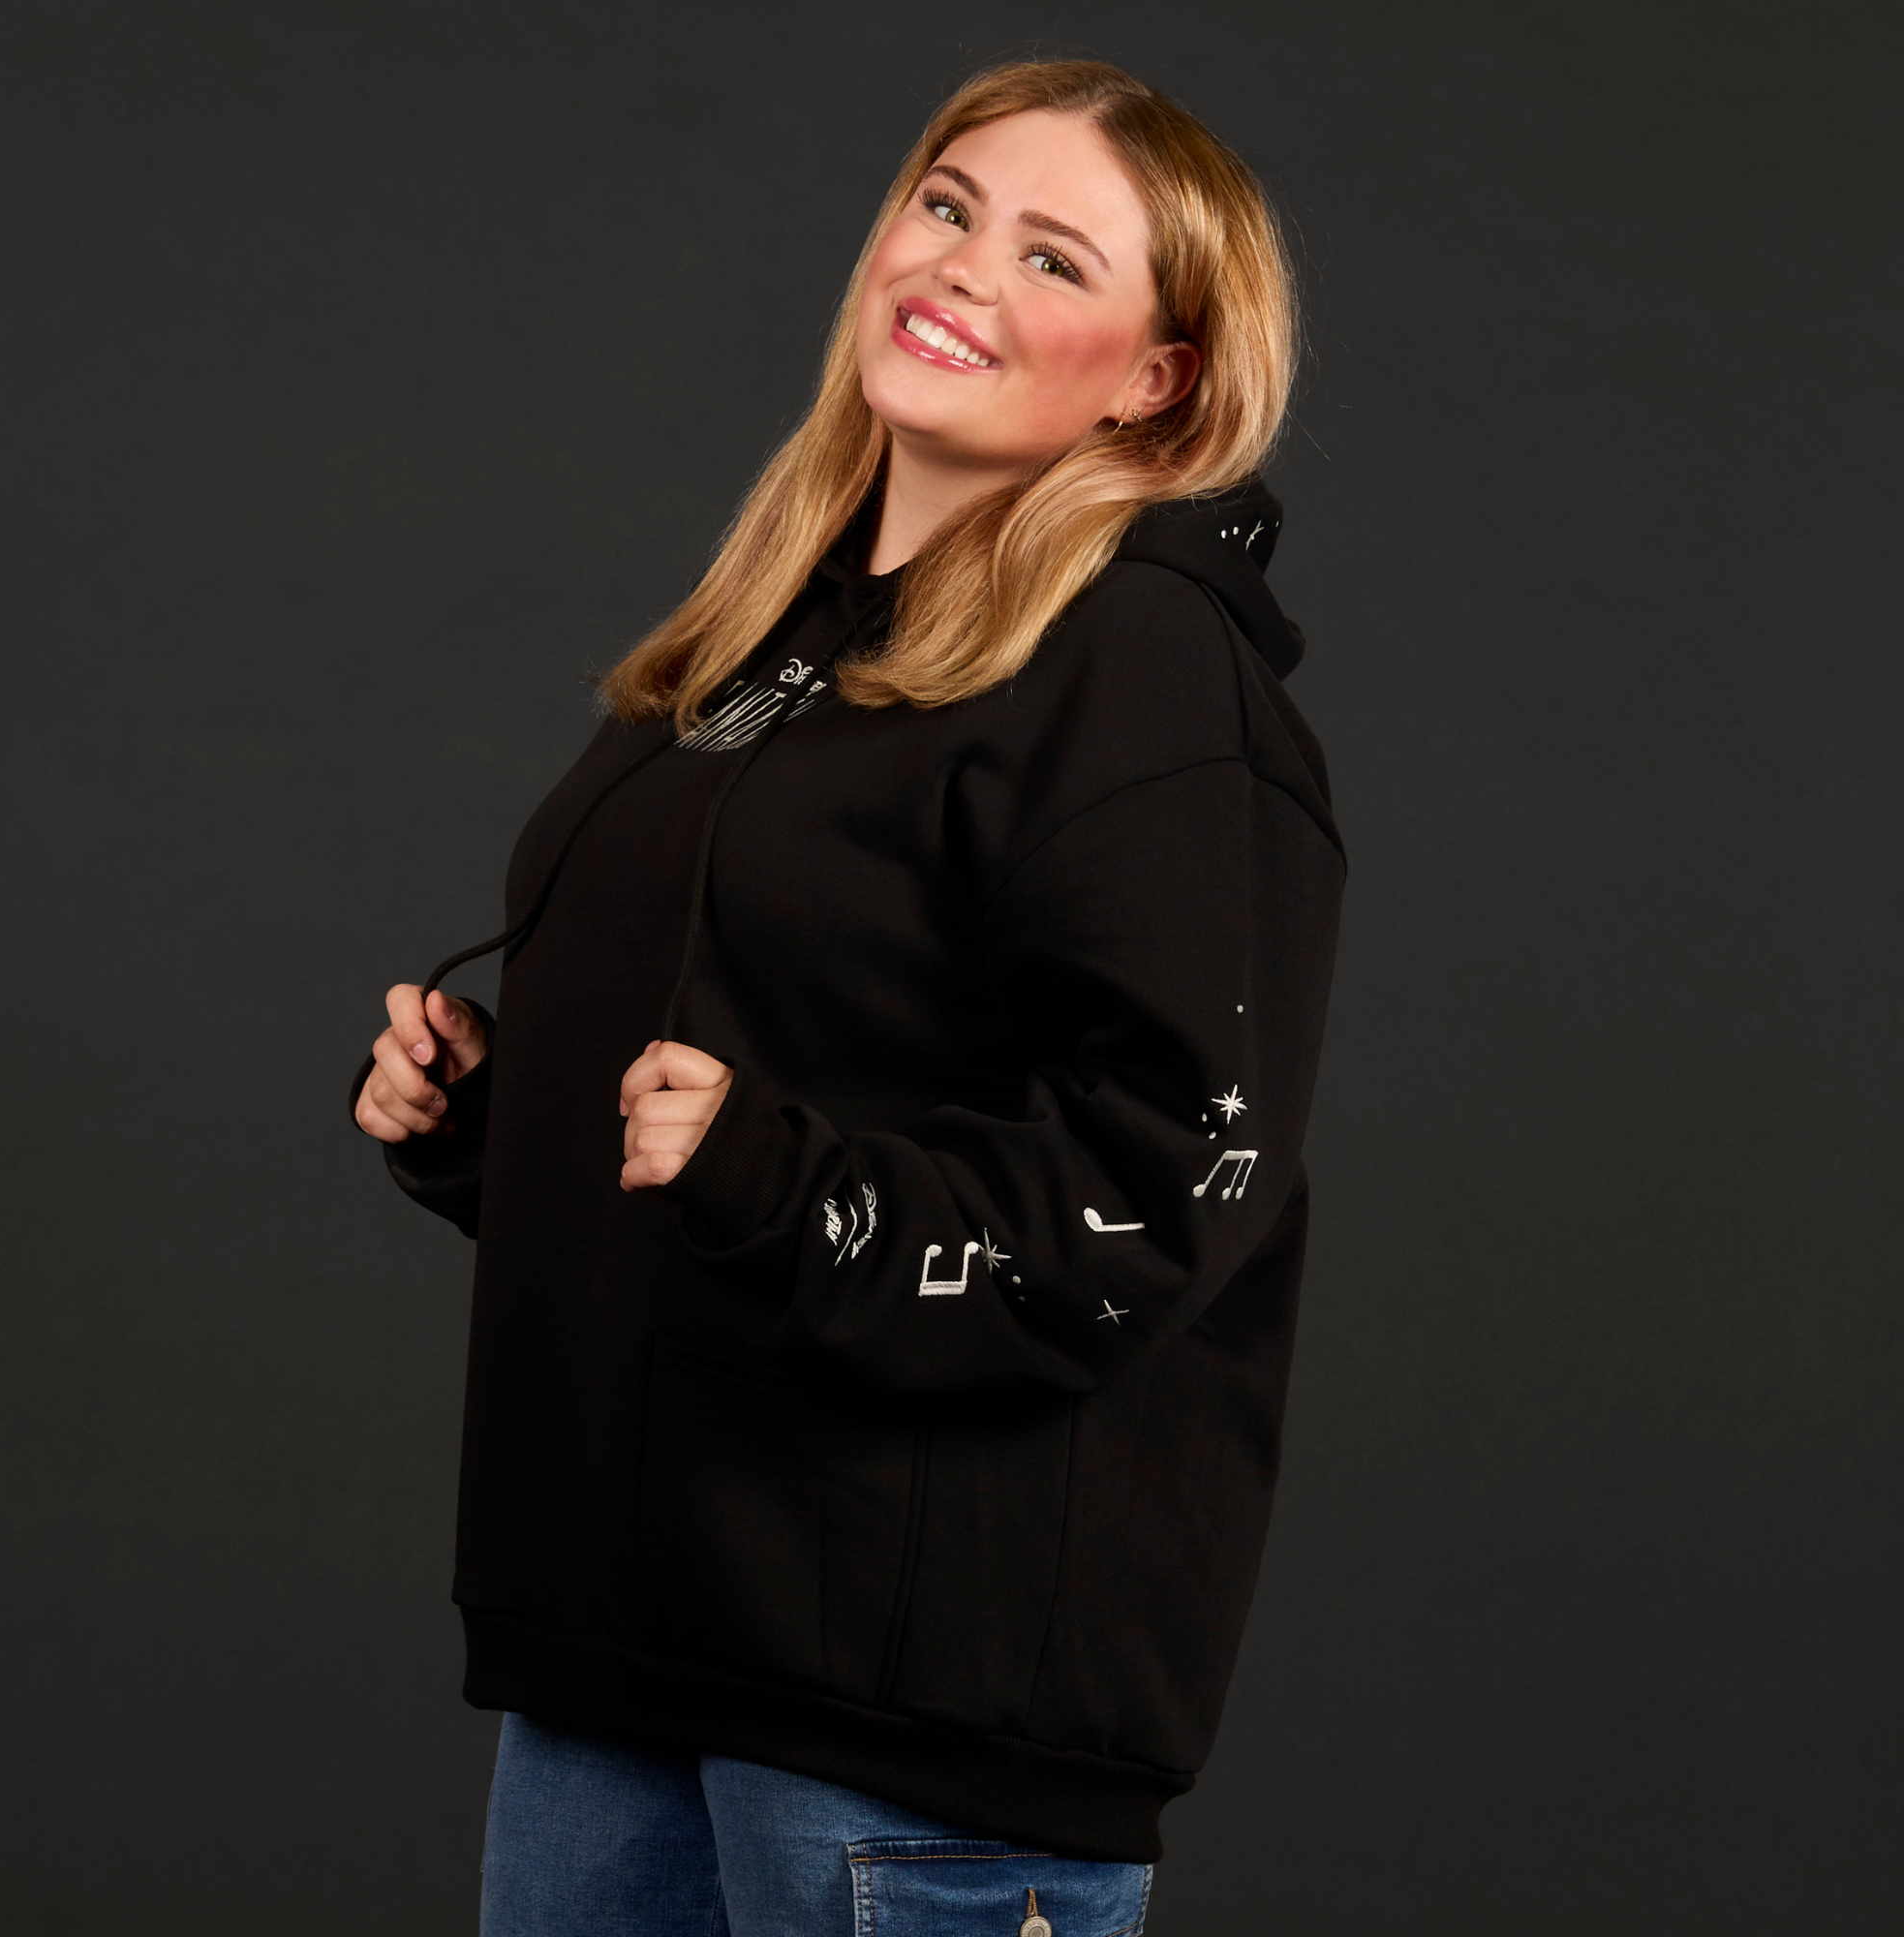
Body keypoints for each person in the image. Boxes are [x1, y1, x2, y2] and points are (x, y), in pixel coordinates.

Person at [352, 57, 1342, 1937]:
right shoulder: (785, 639)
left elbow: (1161, 1189)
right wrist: (492, 1113)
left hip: (908, 1706)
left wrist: (771, 1174)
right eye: (948, 207)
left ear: (1157, 378)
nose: (962, 265)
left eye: (1054, 257)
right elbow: (758, 1083)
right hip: (628, 1643)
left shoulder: (1142, 669)